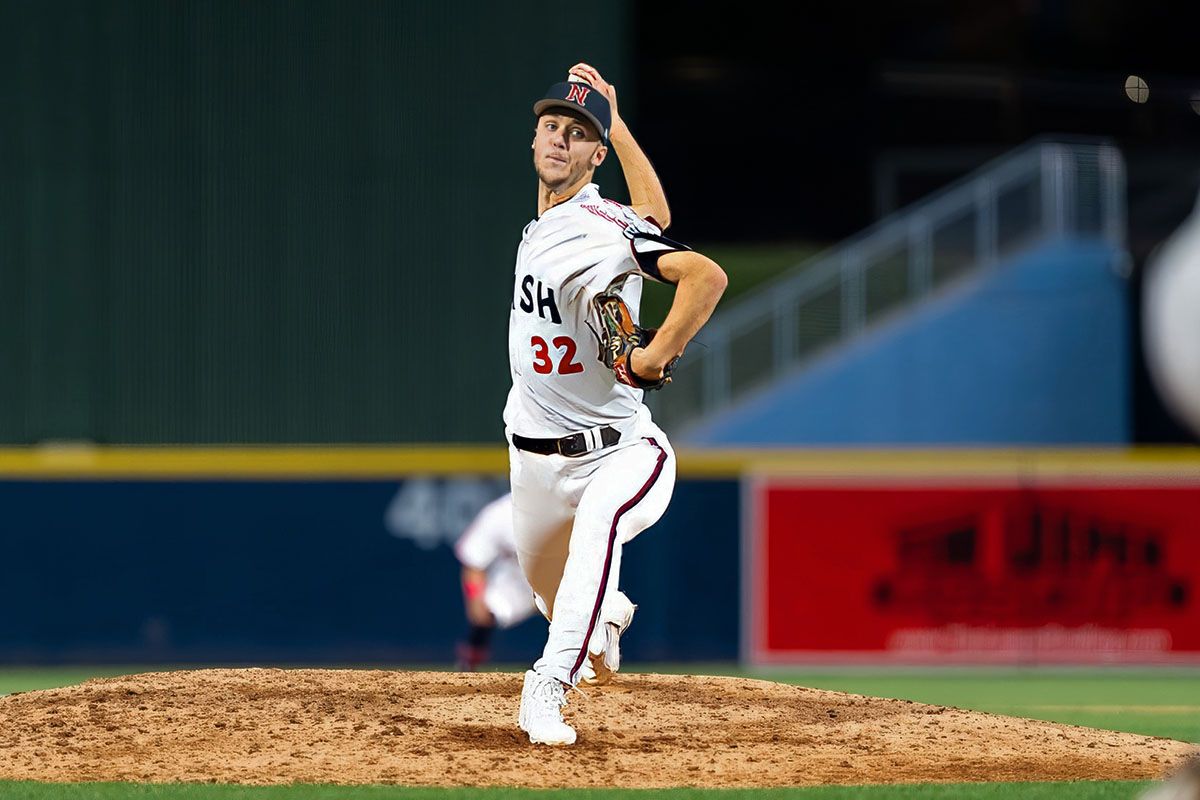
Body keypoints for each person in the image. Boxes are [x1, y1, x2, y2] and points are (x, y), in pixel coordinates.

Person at [506, 62, 727, 745]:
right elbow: (654, 218)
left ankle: (547, 688)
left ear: (593, 156)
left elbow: (704, 273)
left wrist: (656, 352)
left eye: (577, 134)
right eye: (551, 127)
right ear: (535, 139)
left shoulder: (596, 224)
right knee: (548, 591)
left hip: (621, 451)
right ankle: (603, 613)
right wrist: (616, 121)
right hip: (534, 463)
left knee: (601, 522)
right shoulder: (558, 223)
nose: (558, 141)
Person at [453, 493, 538, 671]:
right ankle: (468, 668)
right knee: (486, 609)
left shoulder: (570, 506)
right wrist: (476, 601)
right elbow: (473, 563)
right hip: (517, 585)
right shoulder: (500, 512)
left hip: (562, 581)